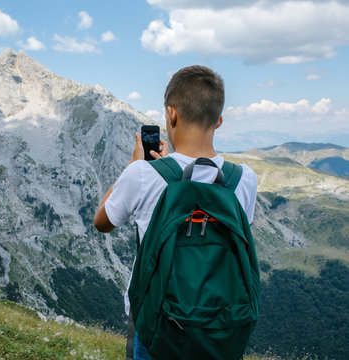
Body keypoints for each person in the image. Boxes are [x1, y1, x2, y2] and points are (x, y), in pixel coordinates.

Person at [93, 65, 257, 359]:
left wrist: (135, 167)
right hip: (221, 326)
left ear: (171, 114)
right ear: (218, 120)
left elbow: (102, 221)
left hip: (157, 323)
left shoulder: (143, 175)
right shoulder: (244, 179)